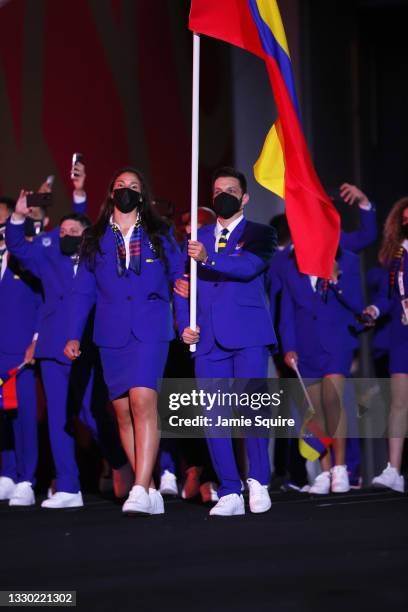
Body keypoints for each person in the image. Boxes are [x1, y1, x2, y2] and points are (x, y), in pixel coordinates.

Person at [64, 167, 187, 516]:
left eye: (133, 187)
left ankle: (138, 485)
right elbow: (82, 292)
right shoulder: (95, 237)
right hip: (111, 333)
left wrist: (183, 321)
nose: (126, 191)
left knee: (142, 401)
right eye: (120, 186)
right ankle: (148, 489)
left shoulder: (160, 234)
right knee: (121, 412)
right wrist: (73, 334)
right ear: (110, 194)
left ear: (143, 196)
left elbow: (178, 280)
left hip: (150, 329)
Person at [180, 166, 277, 516]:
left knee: (253, 411)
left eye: (231, 191)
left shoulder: (261, 234)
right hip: (208, 340)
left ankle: (259, 482)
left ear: (244, 197)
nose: (223, 195)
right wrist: (184, 326)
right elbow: (182, 288)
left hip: (249, 335)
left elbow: (248, 267)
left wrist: (209, 258)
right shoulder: (197, 236)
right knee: (214, 416)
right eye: (218, 190)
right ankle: (230, 490)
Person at [6, 196, 93, 509]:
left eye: (73, 230)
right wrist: (18, 215)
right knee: (58, 418)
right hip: (53, 348)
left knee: (91, 414)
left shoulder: (95, 259)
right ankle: (69, 486)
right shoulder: (50, 258)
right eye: (62, 230)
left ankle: (132, 469)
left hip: (86, 347)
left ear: (85, 236)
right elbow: (18, 245)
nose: (65, 234)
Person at [280, 247, 364, 494]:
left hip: (336, 343)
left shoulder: (346, 261)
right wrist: (289, 347)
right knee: (314, 410)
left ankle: (341, 468)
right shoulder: (290, 268)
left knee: (332, 400)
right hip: (306, 347)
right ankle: (325, 470)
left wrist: (336, 280)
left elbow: (358, 305)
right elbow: (286, 313)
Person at [364, 197, 408, 492]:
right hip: (401, 335)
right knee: (399, 403)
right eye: (404, 219)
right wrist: (374, 311)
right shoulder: (396, 257)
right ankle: (394, 470)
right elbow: (388, 297)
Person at [0, 196, 42, 506]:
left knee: (24, 415)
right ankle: (7, 473)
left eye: (3, 222)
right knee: (2, 413)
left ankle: (27, 478)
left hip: (21, 350)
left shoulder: (27, 259)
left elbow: (47, 298)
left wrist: (37, 338)